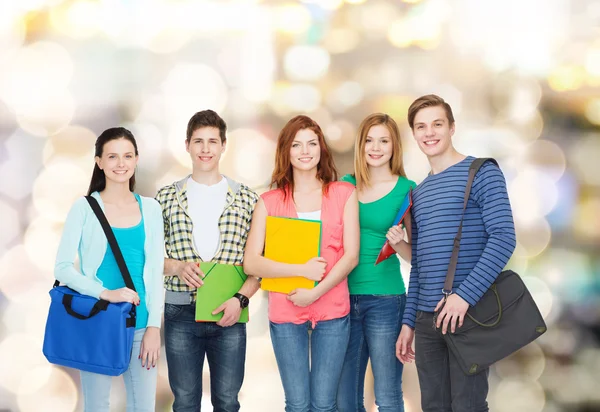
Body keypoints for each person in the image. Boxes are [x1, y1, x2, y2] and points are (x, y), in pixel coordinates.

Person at [395, 95, 516, 412]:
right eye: (421, 126)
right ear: (414, 133)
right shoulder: (418, 193)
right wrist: (409, 322)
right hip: (426, 321)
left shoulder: (482, 172)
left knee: (469, 406)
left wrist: (463, 296)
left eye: (437, 124)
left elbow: (503, 238)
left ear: (451, 128)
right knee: (433, 407)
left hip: (470, 314)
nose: (429, 132)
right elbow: (420, 265)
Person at [244, 115, 360, 412]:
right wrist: (300, 271)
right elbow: (251, 263)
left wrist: (315, 291)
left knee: (323, 404)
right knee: (297, 404)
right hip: (285, 309)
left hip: (332, 308)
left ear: (322, 148)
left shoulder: (344, 194)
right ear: (286, 151)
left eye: (312, 143)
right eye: (297, 145)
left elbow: (351, 256)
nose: (305, 151)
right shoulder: (269, 202)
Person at [155, 110, 260, 412]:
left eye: (212, 141)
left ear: (224, 145)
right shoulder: (165, 198)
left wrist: (240, 300)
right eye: (198, 141)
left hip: (229, 312)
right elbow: (148, 258)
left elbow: (258, 265)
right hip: (180, 312)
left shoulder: (248, 199)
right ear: (186, 145)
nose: (205, 149)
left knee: (227, 403)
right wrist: (176, 267)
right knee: (185, 402)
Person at [54, 127, 164, 411]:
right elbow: (63, 268)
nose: (121, 163)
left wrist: (154, 327)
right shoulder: (85, 208)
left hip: (141, 326)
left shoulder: (151, 209)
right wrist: (106, 293)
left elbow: (154, 272)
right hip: (99, 322)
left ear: (137, 159)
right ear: (99, 161)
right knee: (98, 406)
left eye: (128, 156)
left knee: (143, 407)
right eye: (112, 156)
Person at [337, 113, 416, 412]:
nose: (376, 147)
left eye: (383, 140)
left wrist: (398, 243)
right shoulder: (345, 186)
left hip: (387, 300)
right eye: (369, 140)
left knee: (387, 395)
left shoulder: (406, 189)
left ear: (394, 146)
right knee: (346, 398)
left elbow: (415, 257)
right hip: (343, 298)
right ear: (360, 145)